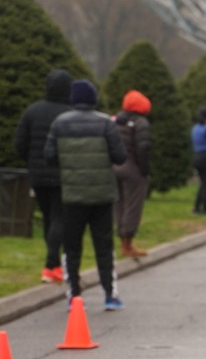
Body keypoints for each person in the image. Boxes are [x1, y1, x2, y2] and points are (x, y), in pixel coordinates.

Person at [44, 79, 127, 309]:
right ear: (93, 98)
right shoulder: (105, 123)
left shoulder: (59, 123)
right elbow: (120, 156)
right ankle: (110, 294)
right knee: (104, 246)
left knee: (72, 247)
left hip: (72, 194)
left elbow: (49, 156)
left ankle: (74, 295)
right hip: (102, 194)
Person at [13, 67, 74, 284]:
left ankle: (54, 264)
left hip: (38, 174)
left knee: (49, 217)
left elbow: (19, 143)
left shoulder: (32, 111)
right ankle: (51, 265)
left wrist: (32, 161)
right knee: (59, 217)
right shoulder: (70, 114)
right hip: (62, 173)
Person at [114, 89, 153, 258]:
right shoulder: (141, 123)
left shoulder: (117, 121)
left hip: (115, 167)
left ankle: (122, 240)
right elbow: (143, 147)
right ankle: (128, 244)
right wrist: (144, 169)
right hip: (133, 168)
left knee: (119, 206)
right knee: (133, 206)